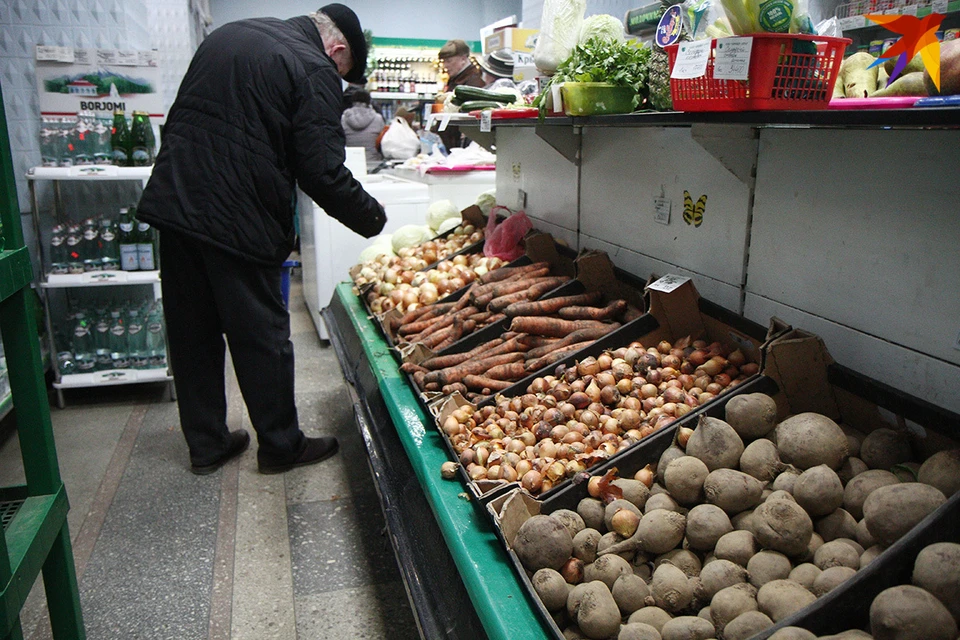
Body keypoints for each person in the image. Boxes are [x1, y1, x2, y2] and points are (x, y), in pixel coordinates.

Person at [137, 4, 386, 475]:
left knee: (193, 333)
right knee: (262, 337)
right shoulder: (313, 66)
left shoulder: (228, 34)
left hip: (176, 201)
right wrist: (373, 218)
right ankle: (280, 446)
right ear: (336, 50)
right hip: (238, 216)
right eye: (342, 70)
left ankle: (207, 445)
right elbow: (322, 170)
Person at [437, 38, 484, 151]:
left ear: (463, 59)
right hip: (454, 145)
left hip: (462, 147)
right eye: (444, 61)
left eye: (449, 61)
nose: (445, 66)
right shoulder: (456, 79)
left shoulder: (474, 82)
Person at [341, 87, 385, 168]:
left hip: (351, 163)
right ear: (369, 101)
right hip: (374, 163)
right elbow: (382, 142)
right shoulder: (378, 118)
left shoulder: (344, 118)